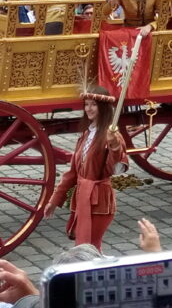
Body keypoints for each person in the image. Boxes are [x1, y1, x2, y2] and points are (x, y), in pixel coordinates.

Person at [44, 86, 128, 251]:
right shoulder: (86, 135)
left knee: (90, 248)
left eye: (93, 105)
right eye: (87, 104)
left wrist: (114, 145)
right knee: (85, 248)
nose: (88, 108)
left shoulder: (113, 136)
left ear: (103, 108)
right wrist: (54, 201)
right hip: (83, 199)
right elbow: (72, 173)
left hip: (99, 201)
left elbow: (115, 169)